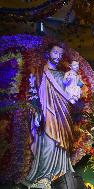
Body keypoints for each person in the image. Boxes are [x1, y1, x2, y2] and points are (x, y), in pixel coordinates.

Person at [23, 44, 75, 188]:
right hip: (46, 114)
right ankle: (44, 176)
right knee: (48, 144)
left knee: (61, 145)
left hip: (62, 116)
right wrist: (36, 111)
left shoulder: (62, 74)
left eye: (60, 54)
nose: (58, 56)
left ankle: (62, 173)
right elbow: (32, 94)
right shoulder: (39, 72)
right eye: (55, 52)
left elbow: (70, 92)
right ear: (48, 53)